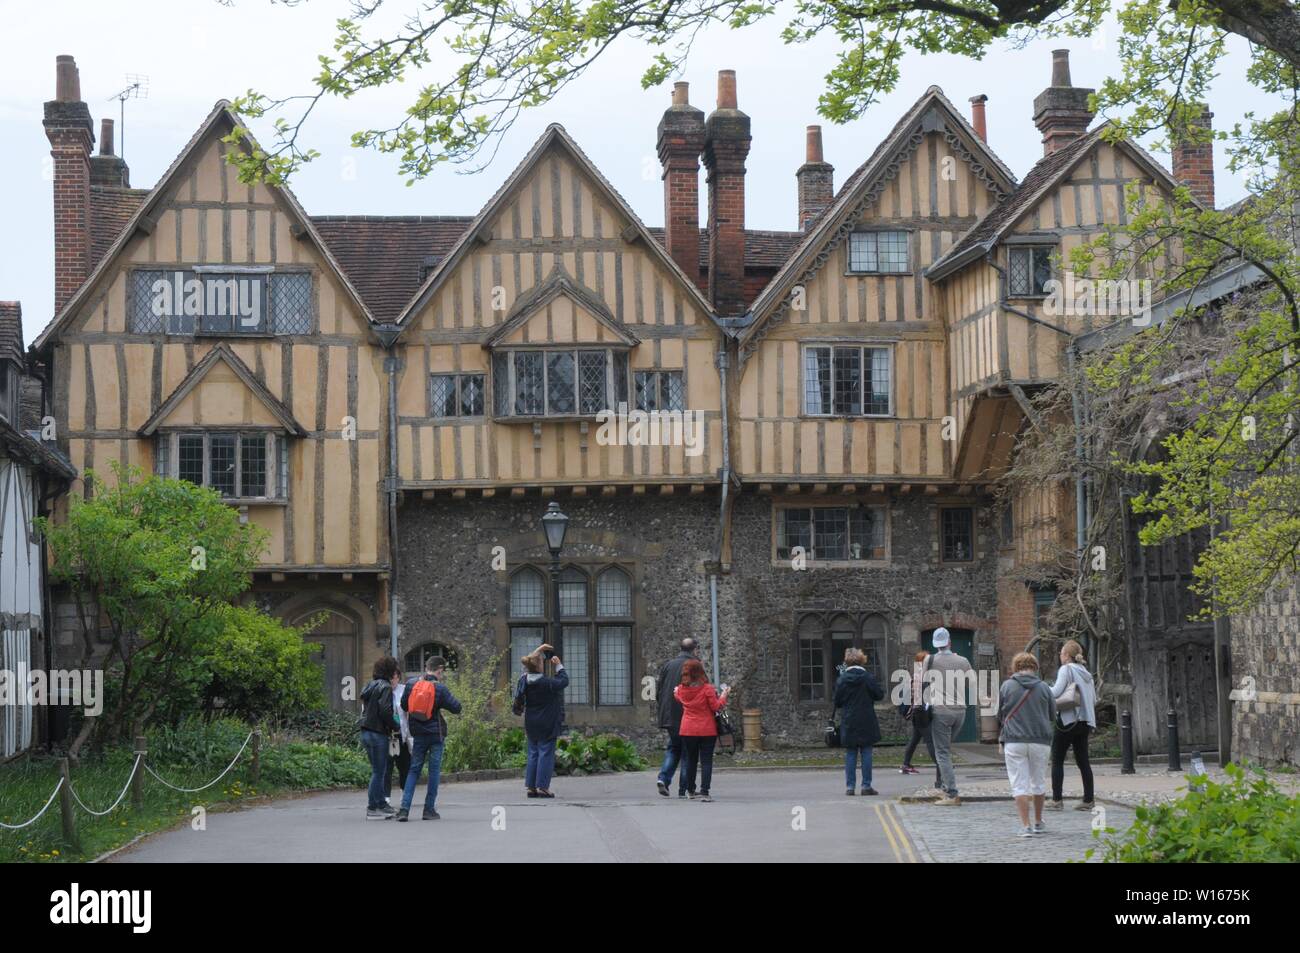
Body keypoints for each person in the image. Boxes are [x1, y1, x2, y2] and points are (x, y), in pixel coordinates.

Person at [397, 654, 463, 821]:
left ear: (426, 668)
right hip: (436, 735)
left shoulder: (412, 684)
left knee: (413, 770)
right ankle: (429, 810)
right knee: (433, 772)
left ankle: (404, 809)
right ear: (439, 670)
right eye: (443, 672)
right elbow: (456, 707)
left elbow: (404, 705)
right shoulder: (439, 688)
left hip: (418, 734)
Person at [998, 652, 1057, 837]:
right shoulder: (1045, 688)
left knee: (1019, 784)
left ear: (1016, 667)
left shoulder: (1007, 686)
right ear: (1035, 667)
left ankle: (1025, 826)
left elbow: (999, 714)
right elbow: (1052, 715)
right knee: (1038, 783)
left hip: (1014, 741)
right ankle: (1039, 822)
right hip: (1040, 740)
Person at [1047, 639, 1097, 812]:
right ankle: (1089, 799)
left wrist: (1043, 688)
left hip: (1068, 720)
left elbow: (1056, 691)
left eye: (1061, 653)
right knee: (1083, 760)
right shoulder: (1086, 673)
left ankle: (1056, 800)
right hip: (1085, 721)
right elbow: (1093, 698)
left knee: (1057, 759)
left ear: (1067, 656)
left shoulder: (1066, 669)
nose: (1060, 656)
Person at [517, 643, 569, 798]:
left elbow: (528, 663)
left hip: (531, 722)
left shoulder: (524, 680)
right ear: (540, 666)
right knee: (545, 753)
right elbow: (564, 681)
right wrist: (559, 665)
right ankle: (543, 787)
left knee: (533, 753)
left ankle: (531, 787)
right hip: (547, 722)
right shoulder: (547, 683)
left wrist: (538, 650)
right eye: (540, 660)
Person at [674, 659, 730, 802]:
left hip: (687, 729)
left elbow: (677, 696)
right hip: (706, 729)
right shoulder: (707, 689)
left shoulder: (681, 689)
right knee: (706, 761)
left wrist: (676, 692)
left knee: (691, 760)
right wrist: (724, 694)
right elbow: (716, 707)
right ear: (700, 671)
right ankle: (705, 792)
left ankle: (690, 791)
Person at [928, 627, 973, 806]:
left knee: (943, 752)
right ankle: (945, 785)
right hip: (960, 712)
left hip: (941, 711)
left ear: (935, 644)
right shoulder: (963, 660)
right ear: (949, 642)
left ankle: (952, 793)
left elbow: (919, 681)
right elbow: (971, 683)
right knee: (945, 750)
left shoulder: (929, 660)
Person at [833, 648, 884, 795]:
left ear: (847, 661)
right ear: (862, 659)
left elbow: (837, 701)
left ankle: (850, 787)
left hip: (849, 718)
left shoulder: (842, 679)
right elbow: (879, 695)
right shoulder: (867, 677)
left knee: (851, 753)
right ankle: (866, 786)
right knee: (866, 751)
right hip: (866, 717)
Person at [358, 656, 401, 819]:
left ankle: (380, 804)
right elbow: (385, 711)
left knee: (378, 770)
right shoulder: (385, 687)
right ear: (389, 671)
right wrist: (395, 726)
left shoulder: (370, 685)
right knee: (379, 771)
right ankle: (374, 807)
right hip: (377, 733)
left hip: (366, 731)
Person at [654, 638, 697, 798]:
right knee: (687, 751)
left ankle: (663, 779)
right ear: (695, 650)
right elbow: (700, 690)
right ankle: (684, 788)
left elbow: (659, 690)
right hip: (686, 715)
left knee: (674, 747)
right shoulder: (694, 665)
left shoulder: (668, 665)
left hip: (669, 715)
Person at [898, 650, 938, 783]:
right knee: (930, 740)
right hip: (921, 713)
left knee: (915, 739)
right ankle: (940, 765)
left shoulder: (917, 675)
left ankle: (906, 764)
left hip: (917, 712)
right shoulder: (922, 676)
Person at [385, 667, 413, 808]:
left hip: (401, 734)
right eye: (390, 678)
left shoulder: (404, 690)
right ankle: (386, 798)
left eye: (394, 677)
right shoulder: (383, 691)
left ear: (398, 677)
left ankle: (404, 793)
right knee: (387, 767)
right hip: (387, 735)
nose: (392, 680)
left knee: (404, 766)